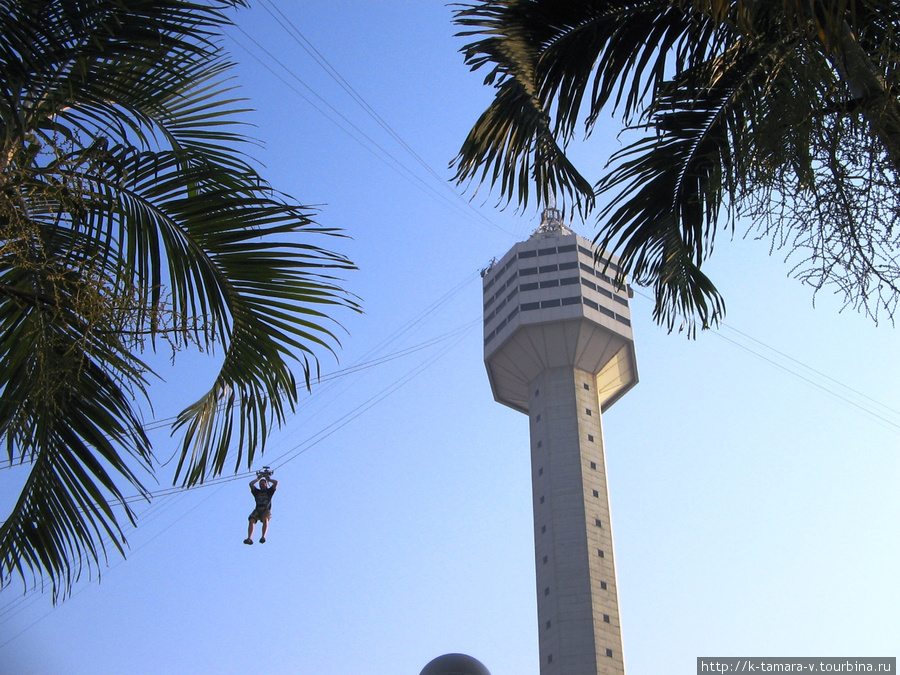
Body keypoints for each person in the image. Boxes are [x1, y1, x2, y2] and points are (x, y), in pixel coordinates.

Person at [244, 474, 278, 545]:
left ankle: (263, 536)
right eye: (260, 484)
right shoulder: (257, 492)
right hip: (257, 509)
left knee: (265, 519)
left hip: (265, 509)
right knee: (251, 520)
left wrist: (269, 479)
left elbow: (276, 483)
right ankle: (249, 538)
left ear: (266, 484)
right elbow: (251, 484)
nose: (262, 485)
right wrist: (258, 479)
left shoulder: (269, 492)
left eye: (263, 484)